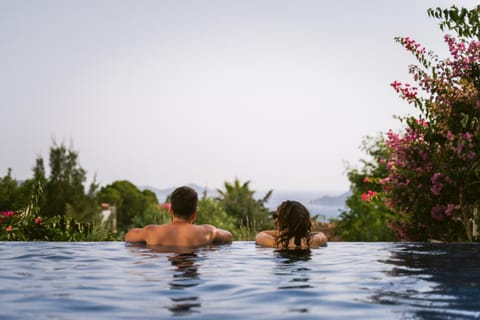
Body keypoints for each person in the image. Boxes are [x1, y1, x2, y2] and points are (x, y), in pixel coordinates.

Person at [125, 186, 233, 247]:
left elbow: (128, 236)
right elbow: (229, 236)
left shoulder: (151, 232)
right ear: (194, 214)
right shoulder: (208, 232)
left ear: (171, 211)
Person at [255, 200, 327, 248]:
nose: (274, 220)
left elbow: (260, 234)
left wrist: (282, 233)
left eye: (276, 216)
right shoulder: (312, 242)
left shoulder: (274, 243)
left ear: (282, 222)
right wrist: (301, 231)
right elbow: (321, 234)